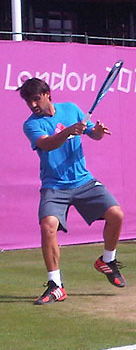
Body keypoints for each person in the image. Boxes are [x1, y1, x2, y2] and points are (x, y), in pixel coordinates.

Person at [19, 77, 126, 305]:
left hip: (83, 182)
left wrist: (97, 131)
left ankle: (107, 260)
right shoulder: (31, 124)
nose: (33, 105)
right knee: (48, 226)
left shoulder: (71, 109)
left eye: (36, 99)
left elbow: (93, 134)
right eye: (29, 102)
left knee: (116, 215)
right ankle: (56, 286)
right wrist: (68, 131)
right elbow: (47, 144)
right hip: (54, 186)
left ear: (47, 94)